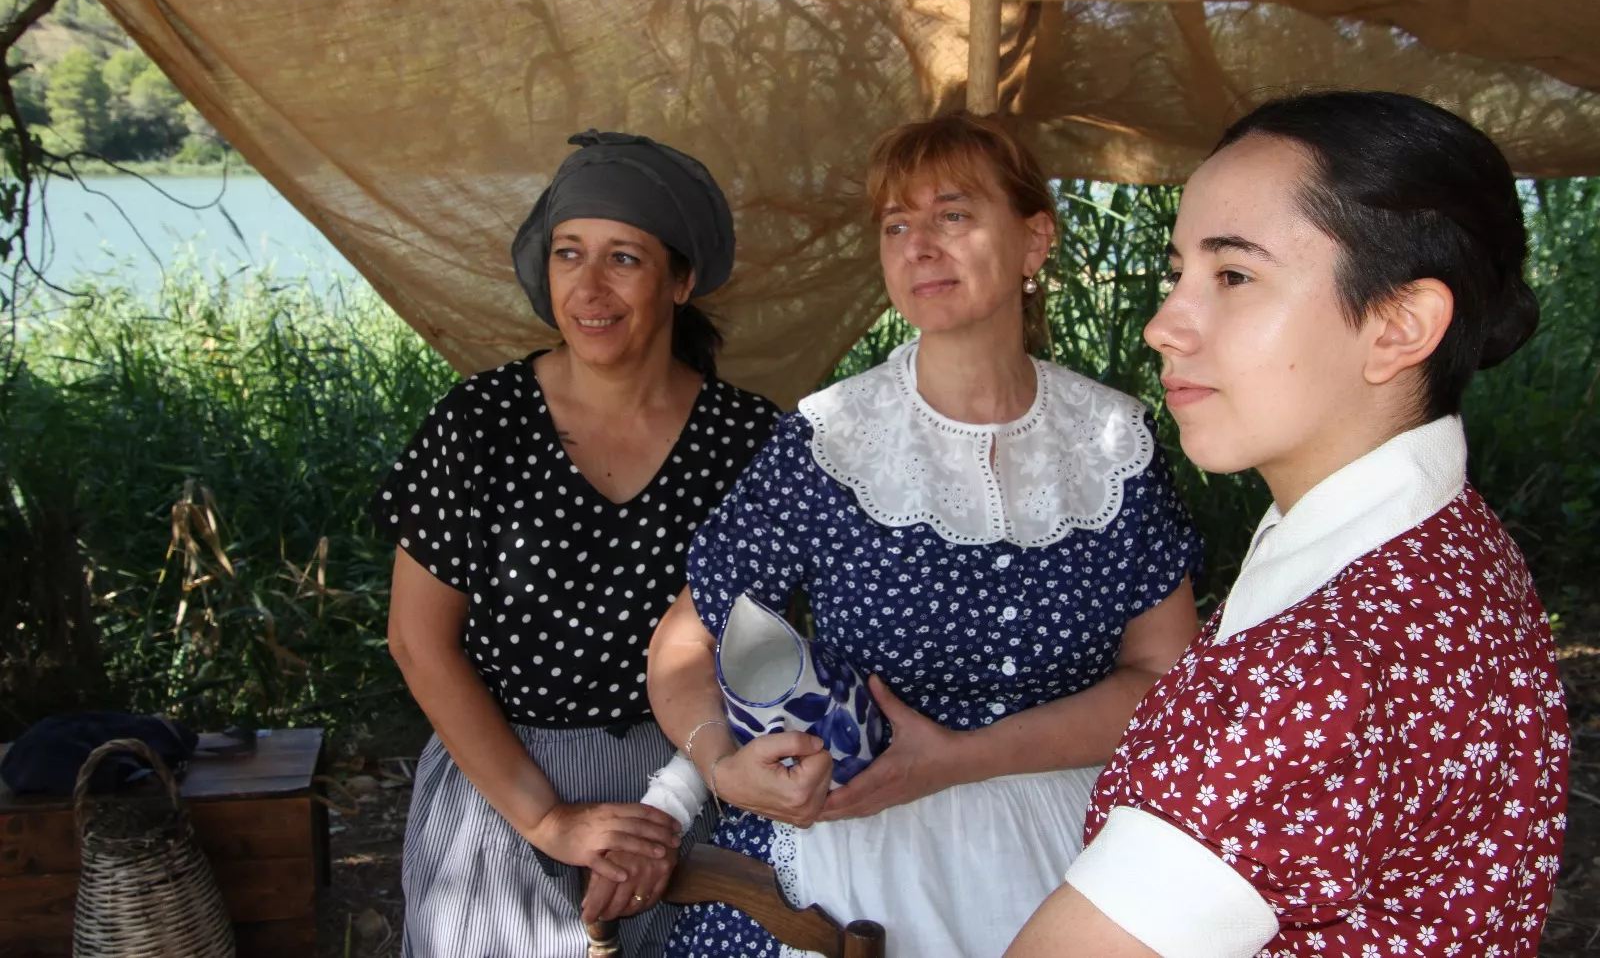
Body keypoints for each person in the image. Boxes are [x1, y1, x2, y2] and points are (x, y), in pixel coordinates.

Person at [1007, 91, 1569, 958]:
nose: (1163, 326)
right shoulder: (1453, 549)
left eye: (1233, 275)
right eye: (1177, 271)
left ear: (1398, 326)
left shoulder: (1321, 673)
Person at [648, 112, 1205, 957]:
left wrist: (962, 757)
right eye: (896, 224)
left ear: (1034, 240)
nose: (918, 246)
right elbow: (687, 643)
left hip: (1073, 847)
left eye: (952, 214)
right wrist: (722, 764)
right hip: (852, 849)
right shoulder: (830, 441)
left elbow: (1163, 674)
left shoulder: (1116, 443)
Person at [375, 130, 780, 958]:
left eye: (624, 258)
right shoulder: (480, 424)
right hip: (500, 794)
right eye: (569, 254)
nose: (589, 288)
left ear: (681, 280)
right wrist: (549, 819)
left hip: (692, 791)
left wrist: (668, 808)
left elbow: (755, 655)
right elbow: (418, 642)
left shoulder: (751, 440)